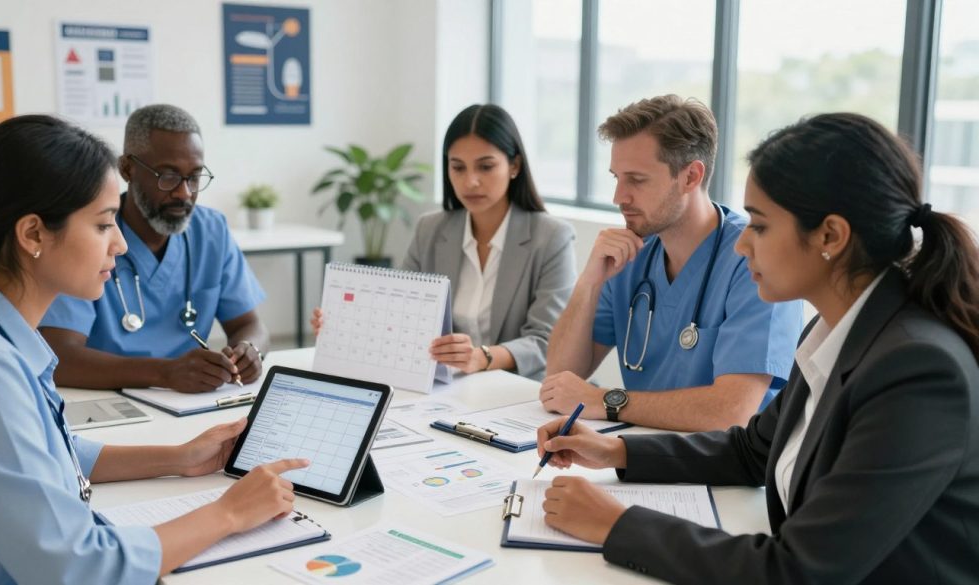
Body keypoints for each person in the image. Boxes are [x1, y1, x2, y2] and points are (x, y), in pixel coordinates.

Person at [536, 113, 979, 583]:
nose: (744, 244)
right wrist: (615, 452)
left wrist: (616, 525)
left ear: (830, 236)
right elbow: (752, 450)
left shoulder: (918, 370)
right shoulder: (833, 335)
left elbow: (797, 571)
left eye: (761, 227)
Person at [0, 115, 311, 582]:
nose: (120, 244)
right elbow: (78, 569)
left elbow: (48, 454)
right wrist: (229, 514)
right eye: (104, 226)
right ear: (34, 234)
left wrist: (179, 457)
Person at [542, 95, 802, 431]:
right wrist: (589, 282)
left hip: (724, 474)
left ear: (691, 177)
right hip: (638, 457)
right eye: (616, 178)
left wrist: (605, 400)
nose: (618, 197)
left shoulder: (752, 261)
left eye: (636, 180)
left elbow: (730, 413)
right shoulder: (630, 256)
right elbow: (561, 379)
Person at [312, 104, 576, 380]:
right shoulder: (431, 229)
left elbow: (546, 341)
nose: (470, 181)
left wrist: (481, 357)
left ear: (514, 166)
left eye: (485, 167)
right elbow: (401, 316)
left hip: (518, 390)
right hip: (447, 388)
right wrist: (345, 324)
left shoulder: (552, 238)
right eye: (458, 167)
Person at [39, 104, 268, 393]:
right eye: (168, 176)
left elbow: (251, 325)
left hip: (189, 401)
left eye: (194, 177)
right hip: (101, 399)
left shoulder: (210, 231)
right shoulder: (88, 232)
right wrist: (164, 373)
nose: (184, 193)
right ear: (127, 168)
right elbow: (61, 356)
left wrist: (249, 351)